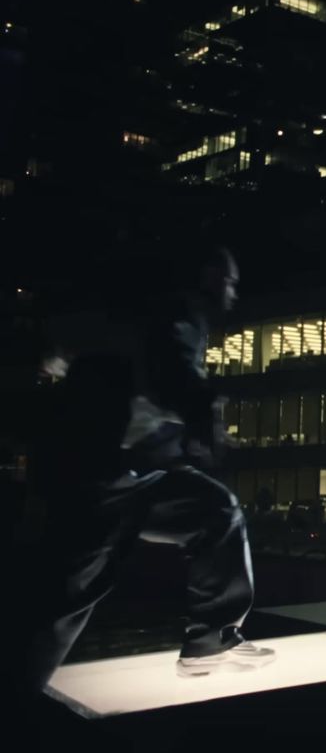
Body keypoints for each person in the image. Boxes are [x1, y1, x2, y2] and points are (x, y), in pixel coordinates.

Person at [17, 245, 274, 691]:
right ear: (208, 277)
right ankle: (16, 692)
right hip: (105, 472)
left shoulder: (139, 312)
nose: (232, 292)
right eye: (228, 281)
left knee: (217, 512)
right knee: (67, 593)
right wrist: (204, 414)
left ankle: (211, 642)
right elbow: (171, 370)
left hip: (133, 470)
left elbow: (73, 349)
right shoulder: (181, 311)